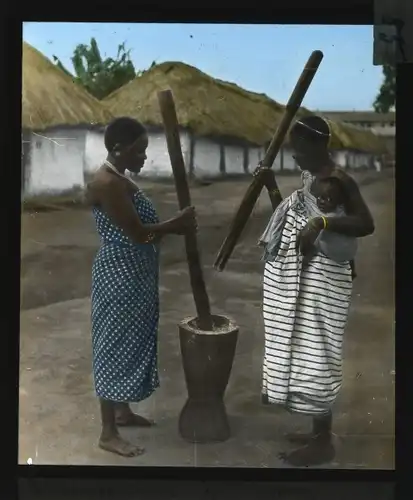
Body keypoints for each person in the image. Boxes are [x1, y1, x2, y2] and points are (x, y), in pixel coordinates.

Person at [256, 115, 374, 467]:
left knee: (318, 353)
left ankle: (322, 443)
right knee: (305, 351)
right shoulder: (312, 181)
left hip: (324, 281)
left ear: (314, 145)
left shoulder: (339, 181)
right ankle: (317, 431)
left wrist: (322, 221)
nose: (293, 155)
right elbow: (293, 223)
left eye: (297, 148)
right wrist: (271, 186)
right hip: (304, 280)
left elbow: (366, 224)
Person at [86, 117, 197, 457]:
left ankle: (121, 412)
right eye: (139, 151)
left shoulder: (121, 178)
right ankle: (108, 432)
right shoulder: (107, 183)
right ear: (118, 148)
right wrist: (174, 225)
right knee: (113, 344)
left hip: (135, 274)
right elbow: (138, 233)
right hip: (119, 275)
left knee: (129, 339)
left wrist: (167, 228)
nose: (144, 158)